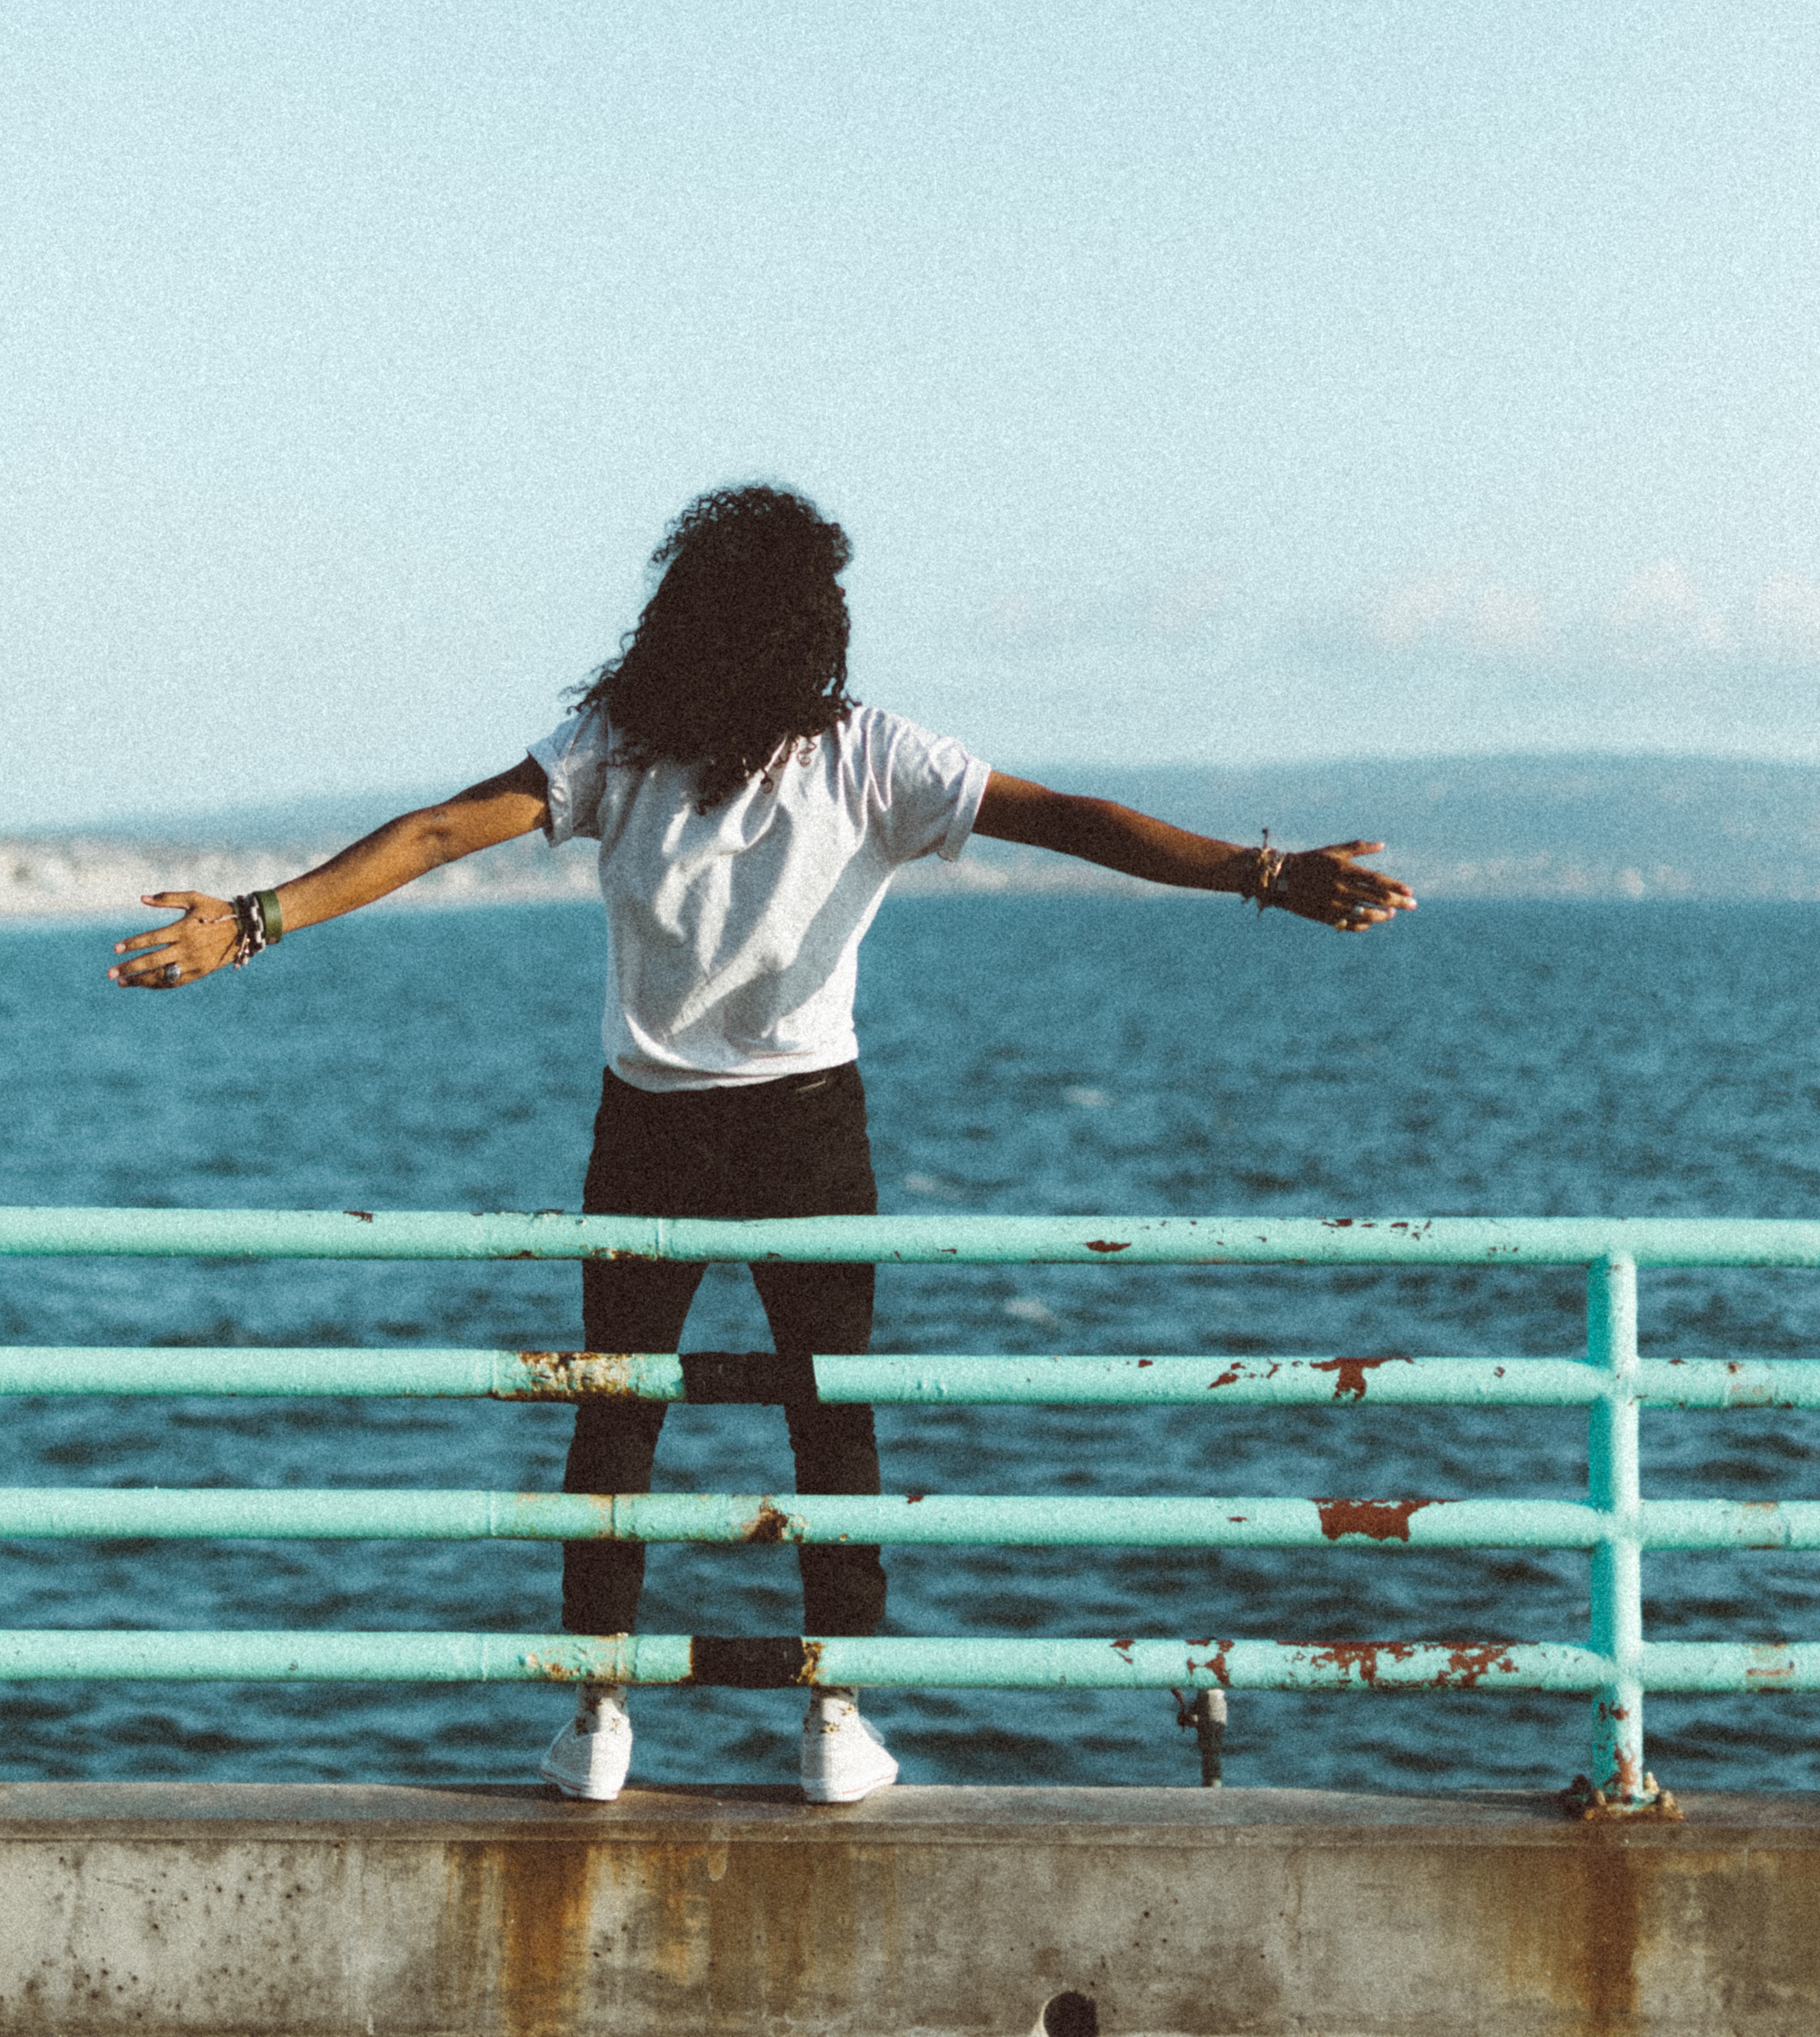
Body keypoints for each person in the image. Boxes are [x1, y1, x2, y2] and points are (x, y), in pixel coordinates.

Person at [111, 481, 1414, 1804]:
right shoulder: (861, 753)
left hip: (652, 1127)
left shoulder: (620, 742)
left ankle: (598, 1720)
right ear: (816, 626)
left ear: (679, 611)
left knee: (614, 1420)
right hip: (805, 1128)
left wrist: (254, 921)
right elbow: (1067, 817)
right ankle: (834, 1718)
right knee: (829, 1421)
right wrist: (1260, 873)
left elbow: (443, 830)